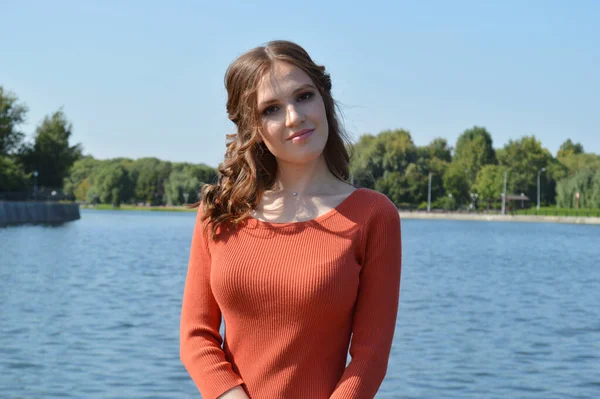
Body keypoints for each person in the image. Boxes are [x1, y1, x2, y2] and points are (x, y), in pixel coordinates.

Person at [180, 40, 402, 399]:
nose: (294, 117)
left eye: (303, 96)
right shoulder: (219, 211)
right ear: (252, 127)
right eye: (271, 109)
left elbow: (370, 358)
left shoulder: (374, 216)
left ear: (324, 99)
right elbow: (196, 336)